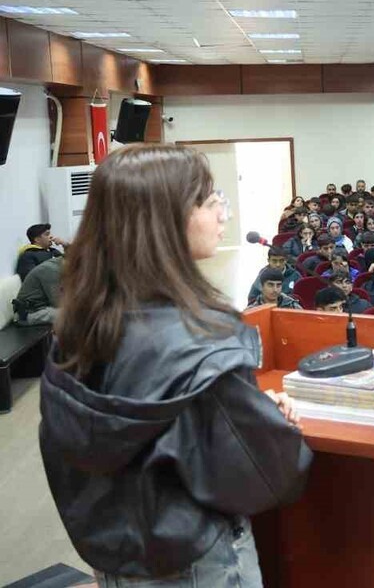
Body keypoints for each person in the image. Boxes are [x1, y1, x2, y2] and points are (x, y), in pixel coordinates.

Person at [40, 144, 311, 584]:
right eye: (210, 199)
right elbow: (266, 474)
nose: (223, 212)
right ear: (165, 221)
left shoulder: (83, 322)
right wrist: (275, 425)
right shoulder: (199, 340)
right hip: (197, 562)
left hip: (120, 557)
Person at [14, 254, 63, 324]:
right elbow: (58, 303)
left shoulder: (59, 266)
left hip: (42, 307)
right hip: (28, 314)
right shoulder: (50, 270)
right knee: (72, 315)